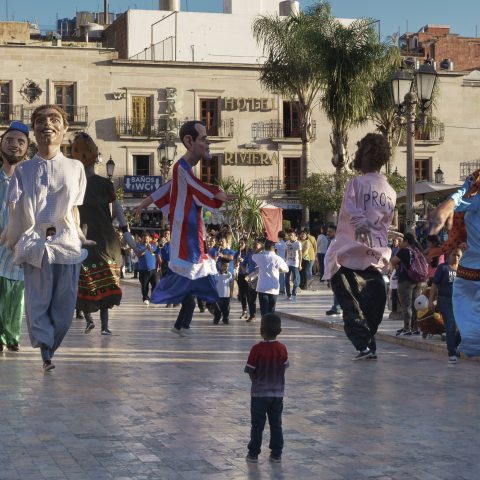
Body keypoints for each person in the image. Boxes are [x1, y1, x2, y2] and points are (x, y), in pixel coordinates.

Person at [0, 105, 87, 371]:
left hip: (67, 246)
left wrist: (82, 235)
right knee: (37, 305)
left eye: (54, 119)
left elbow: (74, 209)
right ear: (35, 131)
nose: (47, 124)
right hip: (34, 246)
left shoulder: (76, 167)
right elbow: (16, 213)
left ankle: (50, 345)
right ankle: (45, 352)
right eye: (40, 120)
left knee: (64, 308)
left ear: (65, 129)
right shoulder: (24, 171)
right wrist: (10, 241)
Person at [133, 121, 227, 337]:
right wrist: (216, 195)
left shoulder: (182, 171)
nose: (208, 142)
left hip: (191, 237)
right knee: (193, 288)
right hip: (185, 236)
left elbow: (166, 188)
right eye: (204, 138)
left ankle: (182, 324)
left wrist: (144, 203)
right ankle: (182, 322)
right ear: (189, 141)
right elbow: (195, 187)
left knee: (193, 292)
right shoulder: (182, 169)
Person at [324, 133, 396, 360]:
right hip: (373, 257)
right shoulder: (391, 191)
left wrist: (362, 224)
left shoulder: (356, 183)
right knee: (372, 305)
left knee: (353, 306)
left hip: (348, 256)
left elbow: (350, 208)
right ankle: (367, 344)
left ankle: (365, 344)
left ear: (365, 154)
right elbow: (384, 222)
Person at [71, 132, 135, 336]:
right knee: (96, 282)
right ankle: (98, 324)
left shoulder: (79, 184)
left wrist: (127, 235)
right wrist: (127, 235)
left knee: (89, 281)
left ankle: (97, 323)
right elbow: (117, 211)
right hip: (99, 241)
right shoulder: (83, 184)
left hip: (93, 240)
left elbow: (116, 209)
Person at [429, 173, 480, 356]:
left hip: (468, 275)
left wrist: (464, 189)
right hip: (467, 276)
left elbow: (453, 205)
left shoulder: (474, 202)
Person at [0, 121, 29, 352]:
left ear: (27, 148)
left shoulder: (30, 180)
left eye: (20, 142)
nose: (14, 146)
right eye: (9, 140)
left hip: (18, 246)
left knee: (15, 293)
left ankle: (12, 336)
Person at [245, 313, 289, 464]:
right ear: (279, 330)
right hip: (277, 393)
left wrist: (256, 382)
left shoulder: (256, 349)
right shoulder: (282, 348)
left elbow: (250, 370)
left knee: (257, 424)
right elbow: (284, 368)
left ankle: (253, 453)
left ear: (261, 329)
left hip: (259, 394)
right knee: (276, 423)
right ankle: (276, 453)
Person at [429, 248, 462, 364]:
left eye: (459, 255)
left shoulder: (462, 270)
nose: (456, 258)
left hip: (459, 302)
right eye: (454, 255)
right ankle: (452, 353)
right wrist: (430, 300)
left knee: (463, 327)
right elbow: (434, 285)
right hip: (445, 300)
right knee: (450, 326)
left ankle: (454, 346)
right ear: (449, 255)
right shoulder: (442, 268)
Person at [390, 233, 425, 336]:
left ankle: (407, 328)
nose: (400, 243)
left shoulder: (404, 251)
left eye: (401, 241)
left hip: (405, 281)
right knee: (415, 305)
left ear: (406, 241)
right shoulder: (417, 250)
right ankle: (416, 328)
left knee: (406, 305)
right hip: (418, 280)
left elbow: (393, 261)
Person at [253, 239, 289, 316]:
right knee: (271, 311)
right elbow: (286, 270)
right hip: (273, 288)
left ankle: (264, 326)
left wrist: (261, 248)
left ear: (264, 247)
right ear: (274, 248)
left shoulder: (260, 257)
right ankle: (271, 327)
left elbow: (253, 255)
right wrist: (278, 270)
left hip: (262, 288)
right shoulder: (278, 259)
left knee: (264, 311)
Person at [242, 238, 264, 322]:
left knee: (262, 298)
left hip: (262, 277)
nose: (254, 245)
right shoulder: (249, 254)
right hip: (251, 278)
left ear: (261, 246)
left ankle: (264, 316)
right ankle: (252, 315)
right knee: (251, 298)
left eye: (256, 244)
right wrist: (246, 273)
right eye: (253, 244)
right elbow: (243, 264)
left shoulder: (264, 254)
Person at [136, 232, 160, 305]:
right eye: (144, 238)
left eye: (147, 238)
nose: (146, 240)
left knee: (155, 284)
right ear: (142, 239)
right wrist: (146, 248)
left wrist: (159, 265)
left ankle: (153, 297)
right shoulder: (139, 246)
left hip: (154, 270)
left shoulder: (153, 246)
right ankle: (145, 298)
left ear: (149, 239)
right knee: (144, 286)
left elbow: (157, 255)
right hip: (143, 271)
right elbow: (139, 254)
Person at [324, 225, 341, 315]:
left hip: (336, 270)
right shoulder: (332, 241)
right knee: (335, 290)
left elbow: (337, 257)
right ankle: (336, 307)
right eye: (328, 231)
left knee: (337, 289)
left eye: (330, 232)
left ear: (335, 232)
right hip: (332, 270)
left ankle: (337, 308)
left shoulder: (337, 242)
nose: (328, 233)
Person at [213, 260, 232, 325]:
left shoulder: (229, 274)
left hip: (226, 295)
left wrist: (231, 293)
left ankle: (225, 319)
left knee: (226, 309)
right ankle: (216, 319)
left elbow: (231, 283)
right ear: (221, 266)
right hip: (218, 295)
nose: (226, 267)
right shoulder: (216, 274)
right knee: (217, 309)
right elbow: (214, 284)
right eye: (224, 266)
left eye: (227, 266)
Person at [285, 229, 301, 302]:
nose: (290, 236)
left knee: (295, 280)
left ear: (295, 236)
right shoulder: (287, 242)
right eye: (289, 235)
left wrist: (300, 264)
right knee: (286, 280)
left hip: (295, 264)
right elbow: (286, 252)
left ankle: (294, 294)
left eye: (291, 235)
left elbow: (300, 254)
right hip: (288, 263)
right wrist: (285, 261)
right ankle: (288, 295)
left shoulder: (298, 243)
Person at [235, 237, 249, 318]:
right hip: (240, 275)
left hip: (247, 275)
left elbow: (251, 264)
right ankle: (244, 311)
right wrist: (237, 262)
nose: (240, 245)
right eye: (239, 243)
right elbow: (235, 265)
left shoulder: (248, 253)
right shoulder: (237, 253)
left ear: (246, 244)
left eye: (242, 243)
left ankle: (251, 311)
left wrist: (243, 261)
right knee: (242, 294)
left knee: (248, 294)